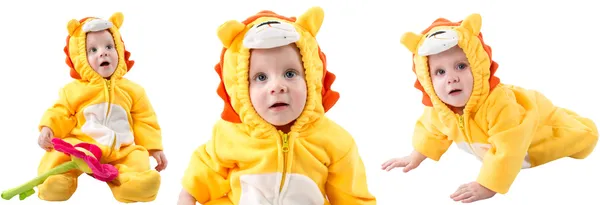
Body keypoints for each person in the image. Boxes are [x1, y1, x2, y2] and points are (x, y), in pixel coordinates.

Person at [381, 13, 598, 203]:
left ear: (478, 66)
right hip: (505, 131)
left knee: (579, 136)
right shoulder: (440, 109)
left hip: (533, 135)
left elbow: (509, 147)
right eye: (440, 72)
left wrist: (487, 184)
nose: (451, 79)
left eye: (460, 66)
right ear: (427, 79)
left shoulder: (500, 106)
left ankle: (583, 132)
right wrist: (415, 156)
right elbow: (431, 131)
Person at [177, 6, 376, 205]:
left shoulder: (335, 141)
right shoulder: (229, 136)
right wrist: (187, 197)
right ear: (240, 88)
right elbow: (201, 175)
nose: (277, 87)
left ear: (312, 78)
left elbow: (352, 198)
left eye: (290, 73)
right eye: (261, 77)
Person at [36, 12, 168, 203]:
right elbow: (60, 112)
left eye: (108, 46)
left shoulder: (133, 91)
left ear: (119, 50)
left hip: (120, 149)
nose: (103, 52)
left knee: (137, 158)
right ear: (80, 57)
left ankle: (133, 185)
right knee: (57, 155)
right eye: (93, 50)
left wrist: (153, 148)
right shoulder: (73, 91)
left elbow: (145, 119)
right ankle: (55, 182)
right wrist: (49, 128)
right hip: (81, 148)